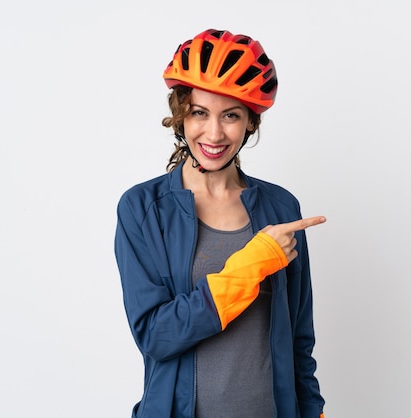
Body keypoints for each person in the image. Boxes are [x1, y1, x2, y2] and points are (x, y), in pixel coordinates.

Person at [114, 28, 326, 418]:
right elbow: (156, 335)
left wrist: (313, 412)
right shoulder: (143, 208)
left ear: (250, 122)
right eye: (199, 113)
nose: (213, 133)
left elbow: (298, 340)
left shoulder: (281, 207)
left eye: (230, 115)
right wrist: (248, 268)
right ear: (181, 114)